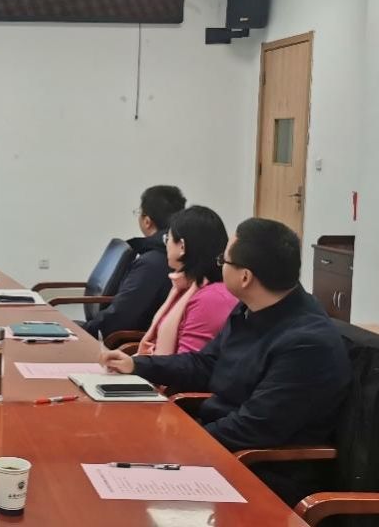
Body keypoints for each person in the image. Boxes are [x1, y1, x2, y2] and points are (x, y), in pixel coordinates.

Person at [99, 217, 350, 505]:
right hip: (220, 450)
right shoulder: (249, 309)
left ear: (245, 277)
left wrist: (178, 444)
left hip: (259, 475)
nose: (219, 265)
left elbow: (253, 428)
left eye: (224, 260)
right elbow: (206, 364)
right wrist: (137, 365)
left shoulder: (306, 344)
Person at [83, 185, 187, 338]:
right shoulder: (181, 255)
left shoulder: (152, 263)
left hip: (128, 342)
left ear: (147, 221)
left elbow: (120, 316)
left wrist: (81, 331)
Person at [136, 205, 238, 355]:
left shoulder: (211, 298)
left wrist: (137, 364)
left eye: (167, 239)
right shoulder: (185, 285)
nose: (166, 245)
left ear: (182, 247)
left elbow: (188, 363)